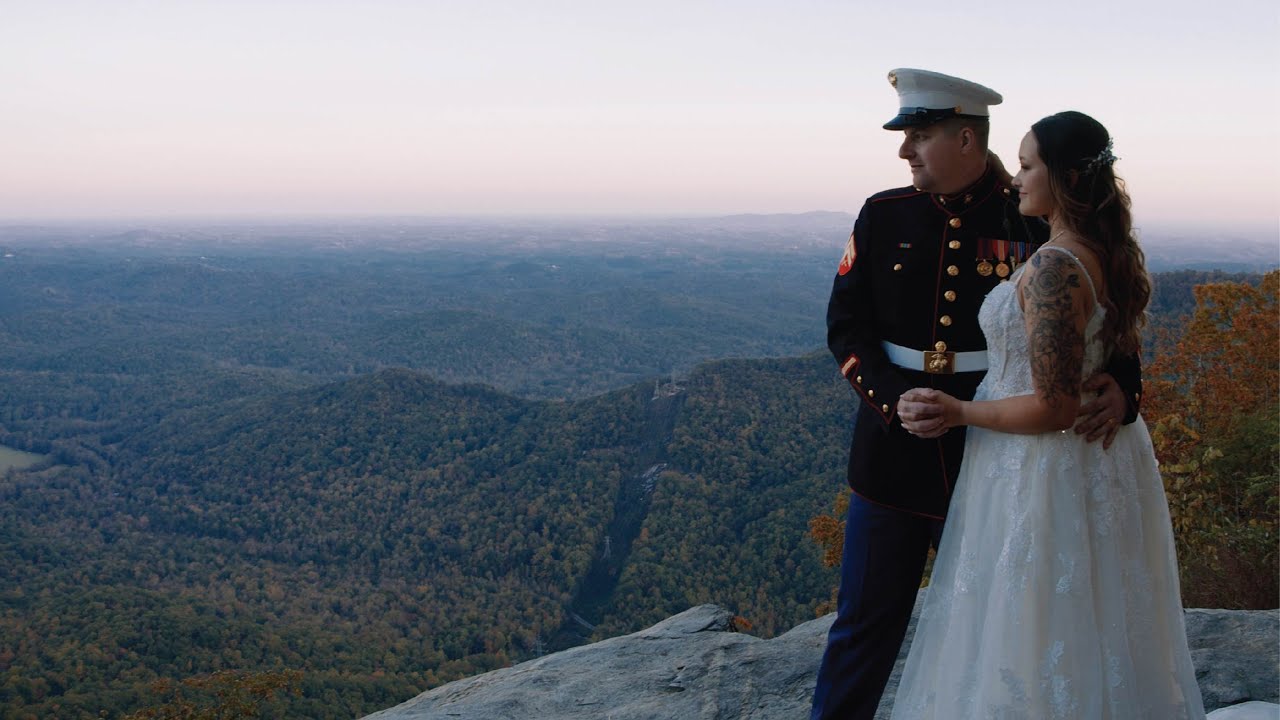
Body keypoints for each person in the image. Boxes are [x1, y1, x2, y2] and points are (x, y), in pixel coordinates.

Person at [811, 70, 1144, 720]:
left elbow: (1105, 308)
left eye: (920, 136)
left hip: (1001, 455)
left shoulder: (1032, 212)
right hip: (894, 457)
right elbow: (846, 326)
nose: (905, 151)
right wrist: (891, 398)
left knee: (1007, 628)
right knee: (863, 626)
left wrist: (1125, 389)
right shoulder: (884, 214)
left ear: (966, 137)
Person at [889, 111, 1205, 718]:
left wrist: (959, 412)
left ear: (1065, 179)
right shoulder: (1099, 251)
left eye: (1028, 166)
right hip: (1092, 462)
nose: (1016, 180)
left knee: (1032, 623)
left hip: (1040, 465)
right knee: (1090, 619)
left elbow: (1055, 406)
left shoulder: (1055, 267)